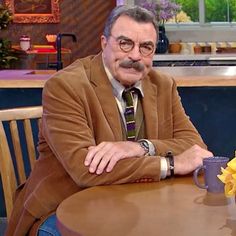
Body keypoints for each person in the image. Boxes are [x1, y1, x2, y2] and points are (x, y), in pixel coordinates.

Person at [5, 5, 213, 236]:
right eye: (125, 43)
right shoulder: (65, 86)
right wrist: (170, 164)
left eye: (146, 47)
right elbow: (85, 170)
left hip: (135, 200)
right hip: (64, 204)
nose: (135, 56)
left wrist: (140, 147)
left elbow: (194, 146)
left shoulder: (163, 85)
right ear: (104, 43)